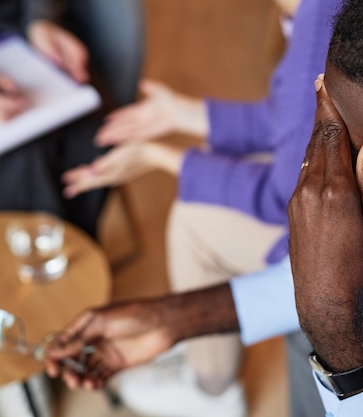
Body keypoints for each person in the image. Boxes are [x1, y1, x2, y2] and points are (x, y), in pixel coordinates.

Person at [45, 0, 363, 416]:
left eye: (361, 146)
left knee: (326, 334)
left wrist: (337, 331)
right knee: (311, 330)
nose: (327, 168)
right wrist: (171, 318)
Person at [54, 0, 336, 415]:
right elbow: (291, 123)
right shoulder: (315, 11)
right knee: (213, 182)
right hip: (332, 186)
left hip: (348, 237)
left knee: (193, 221)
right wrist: (181, 114)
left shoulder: (319, 30)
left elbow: (283, 197)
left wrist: (161, 158)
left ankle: (213, 390)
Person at [0, 0, 108, 238]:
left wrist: (41, 21)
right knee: (18, 155)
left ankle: (60, 258)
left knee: (95, 136)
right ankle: (68, 259)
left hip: (22, 41)